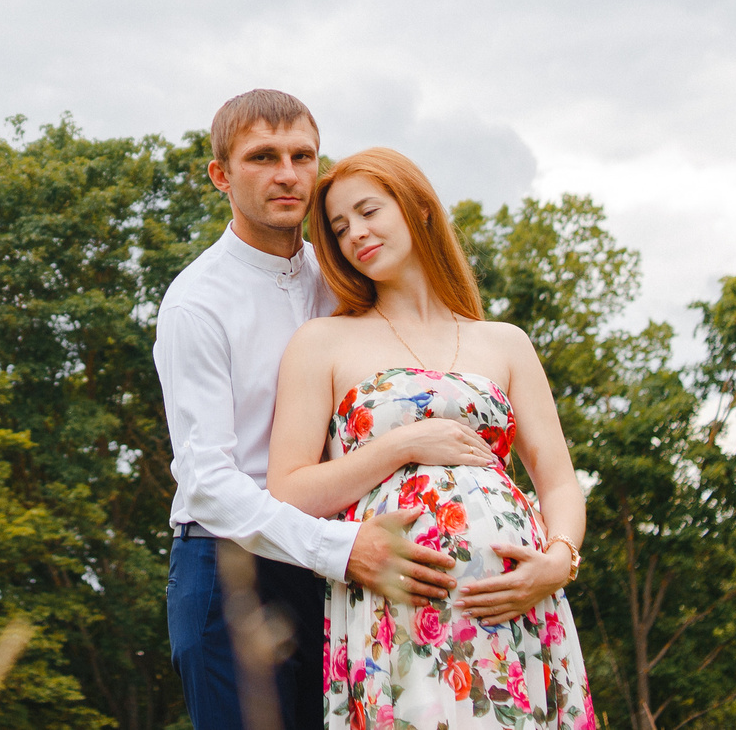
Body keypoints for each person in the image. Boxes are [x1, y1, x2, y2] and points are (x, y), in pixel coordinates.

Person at [157, 92, 459, 730]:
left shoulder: (346, 272)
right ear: (221, 175)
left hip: (348, 570)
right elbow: (207, 483)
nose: (288, 174)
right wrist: (341, 548)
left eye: (303, 156)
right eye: (263, 157)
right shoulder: (196, 303)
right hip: (231, 570)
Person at [269, 147, 597, 730]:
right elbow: (289, 492)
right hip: (398, 612)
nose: (355, 236)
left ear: (419, 209)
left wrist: (557, 562)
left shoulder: (505, 342)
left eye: (369, 211)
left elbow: (560, 481)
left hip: (517, 608)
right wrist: (403, 444)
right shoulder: (322, 342)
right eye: (339, 229)